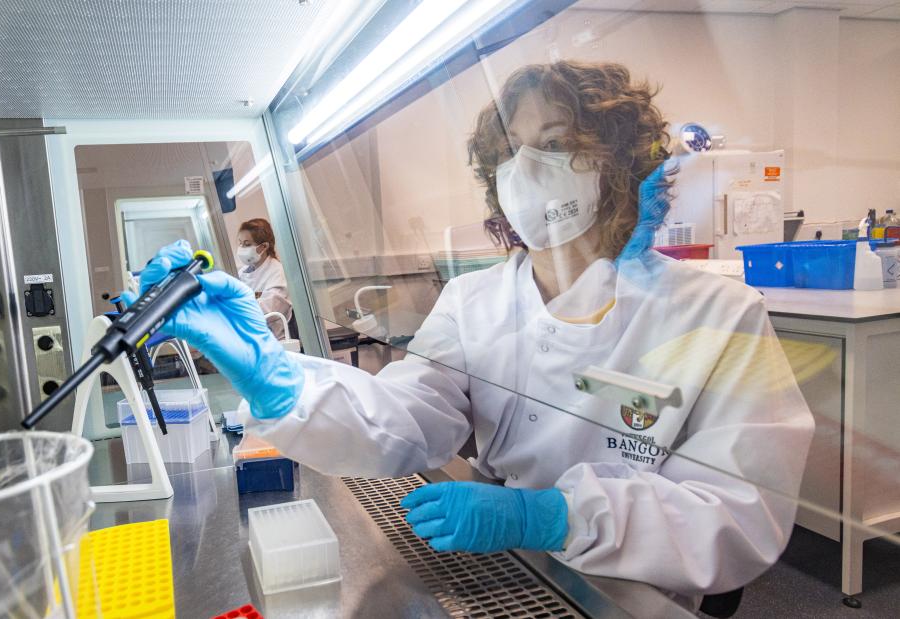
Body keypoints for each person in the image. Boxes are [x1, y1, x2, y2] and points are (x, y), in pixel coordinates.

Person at [127, 62, 813, 603]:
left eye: (555, 145)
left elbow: (741, 514)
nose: (528, 172)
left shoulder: (718, 313)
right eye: (513, 154)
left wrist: (555, 514)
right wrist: (281, 381)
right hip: (507, 569)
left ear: (618, 162)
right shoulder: (477, 300)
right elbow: (403, 420)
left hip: (640, 586)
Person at [236, 218, 293, 340]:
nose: (241, 248)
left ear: (264, 247)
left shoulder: (277, 272)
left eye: (247, 244)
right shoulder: (242, 272)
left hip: (276, 342)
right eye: (240, 243)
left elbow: (268, 310)